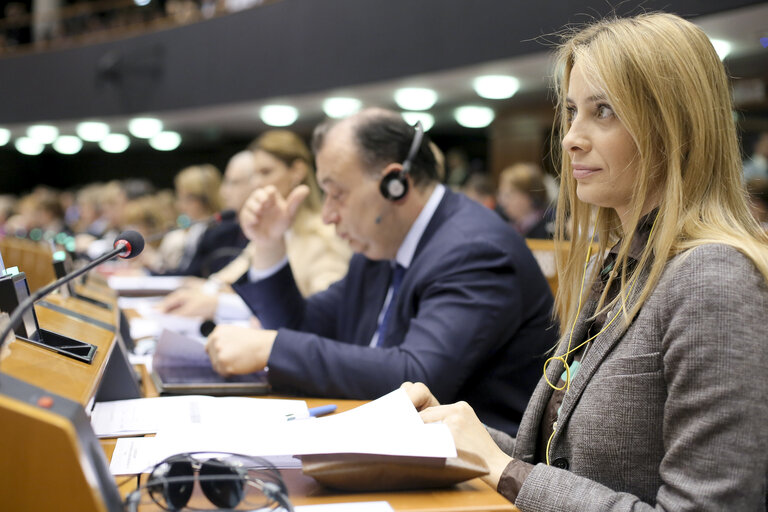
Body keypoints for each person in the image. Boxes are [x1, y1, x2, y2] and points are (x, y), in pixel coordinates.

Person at [403, 12, 768, 510]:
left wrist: (500, 468)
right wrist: (461, 433)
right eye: (573, 111)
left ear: (674, 127)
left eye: (604, 111)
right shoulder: (618, 263)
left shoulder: (714, 277)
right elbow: (564, 466)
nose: (571, 137)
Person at [205, 108, 556, 436]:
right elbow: (303, 325)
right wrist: (269, 245)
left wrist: (274, 348)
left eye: (336, 194)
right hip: (397, 441)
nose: (328, 214)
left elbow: (417, 378)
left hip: (476, 473)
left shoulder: (475, 249)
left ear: (395, 184)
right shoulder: (380, 246)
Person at [159, 130, 351, 319]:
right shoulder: (270, 231)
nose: (257, 183)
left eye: (266, 172)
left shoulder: (324, 234)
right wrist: (207, 290)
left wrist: (218, 303)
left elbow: (322, 314)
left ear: (297, 171)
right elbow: (229, 277)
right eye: (255, 175)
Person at [496, 163, 554, 239]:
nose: (502, 201)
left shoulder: (552, 225)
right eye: (501, 194)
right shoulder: (501, 221)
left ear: (531, 196)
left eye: (508, 195)